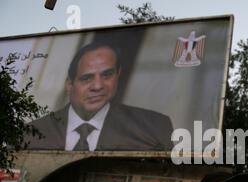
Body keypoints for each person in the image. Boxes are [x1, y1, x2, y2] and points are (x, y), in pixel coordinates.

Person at [26, 42, 174, 151]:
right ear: (69, 85)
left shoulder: (154, 128)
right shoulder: (31, 133)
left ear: (118, 75)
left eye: (107, 75)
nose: (98, 86)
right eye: (86, 78)